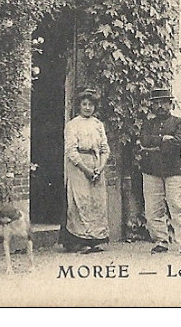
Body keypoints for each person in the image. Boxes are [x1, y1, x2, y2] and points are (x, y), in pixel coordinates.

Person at [139, 87, 181, 258]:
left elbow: (178, 143)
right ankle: (160, 241)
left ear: (170, 104)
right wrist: (164, 139)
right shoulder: (147, 124)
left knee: (178, 206)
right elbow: (144, 140)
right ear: (152, 106)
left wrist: (155, 145)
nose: (160, 106)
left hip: (173, 171)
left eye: (163, 102)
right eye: (156, 103)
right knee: (153, 209)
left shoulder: (180, 123)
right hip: (151, 170)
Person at [64, 88, 110, 253]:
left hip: (96, 164)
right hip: (79, 166)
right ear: (79, 106)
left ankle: (94, 240)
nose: (88, 108)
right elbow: (71, 150)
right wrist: (85, 169)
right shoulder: (73, 125)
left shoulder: (98, 125)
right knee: (80, 201)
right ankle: (79, 241)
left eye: (91, 104)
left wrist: (100, 167)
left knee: (95, 202)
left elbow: (105, 148)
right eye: (84, 104)